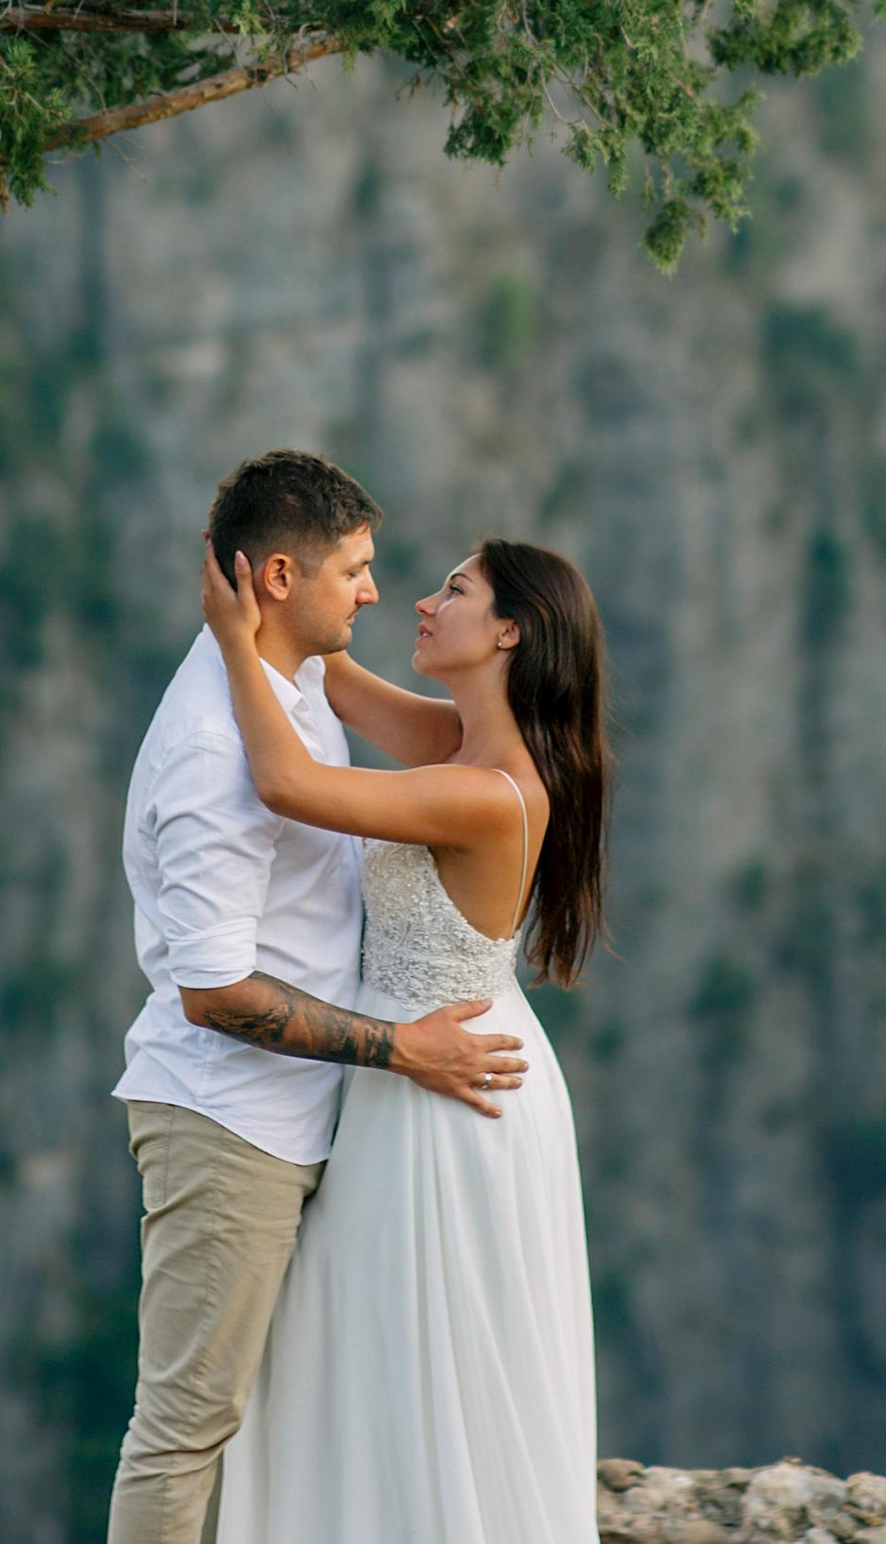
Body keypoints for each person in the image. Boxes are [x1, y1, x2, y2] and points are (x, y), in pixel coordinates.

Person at [108, 451, 528, 1544]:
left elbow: (440, 741)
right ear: (282, 577)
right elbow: (210, 990)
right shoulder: (216, 742)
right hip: (228, 1119)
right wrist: (400, 1049)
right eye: (359, 568)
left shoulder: (290, 680)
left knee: (292, 1423)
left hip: (311, 1117)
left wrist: (245, 633)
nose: (381, 592)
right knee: (189, 1422)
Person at [209, 529, 611, 1544]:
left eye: (454, 590)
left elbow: (291, 783)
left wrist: (228, 638)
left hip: (449, 1092)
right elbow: (338, 683)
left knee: (417, 1360)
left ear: (508, 630)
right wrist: (279, 577)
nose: (421, 602)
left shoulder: (486, 790)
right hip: (426, 1069)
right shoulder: (464, 745)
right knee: (381, 1352)